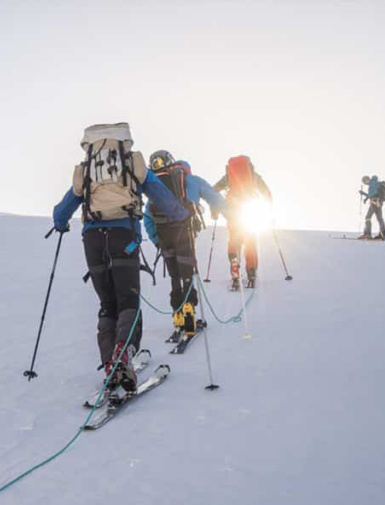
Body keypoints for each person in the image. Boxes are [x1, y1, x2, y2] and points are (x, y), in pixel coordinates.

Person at [52, 123, 190, 392]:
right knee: (129, 301)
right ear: (124, 142)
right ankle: (123, 354)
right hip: (124, 237)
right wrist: (180, 215)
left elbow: (64, 208)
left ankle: (110, 364)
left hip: (92, 240)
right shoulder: (133, 164)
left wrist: (60, 223)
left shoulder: (89, 169)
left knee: (107, 303)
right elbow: (160, 195)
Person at [143, 151, 227, 338]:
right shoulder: (189, 179)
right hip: (185, 232)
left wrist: (157, 240)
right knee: (187, 272)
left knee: (174, 275)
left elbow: (147, 218)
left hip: (164, 236)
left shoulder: (155, 186)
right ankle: (189, 308)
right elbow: (214, 197)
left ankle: (177, 314)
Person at [212, 155, 272, 289]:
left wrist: (214, 210)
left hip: (232, 209)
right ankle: (251, 272)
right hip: (250, 207)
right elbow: (266, 192)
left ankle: (234, 264)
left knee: (234, 239)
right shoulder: (253, 175)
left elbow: (214, 190)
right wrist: (269, 208)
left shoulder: (229, 175)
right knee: (250, 240)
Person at [359, 175, 385, 240]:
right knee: (377, 218)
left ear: (367, 179)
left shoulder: (372, 183)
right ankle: (381, 234)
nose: (365, 183)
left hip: (375, 202)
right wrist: (366, 198)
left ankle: (368, 234)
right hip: (377, 202)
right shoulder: (375, 183)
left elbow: (372, 194)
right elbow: (373, 193)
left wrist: (363, 193)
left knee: (369, 217)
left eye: (364, 181)